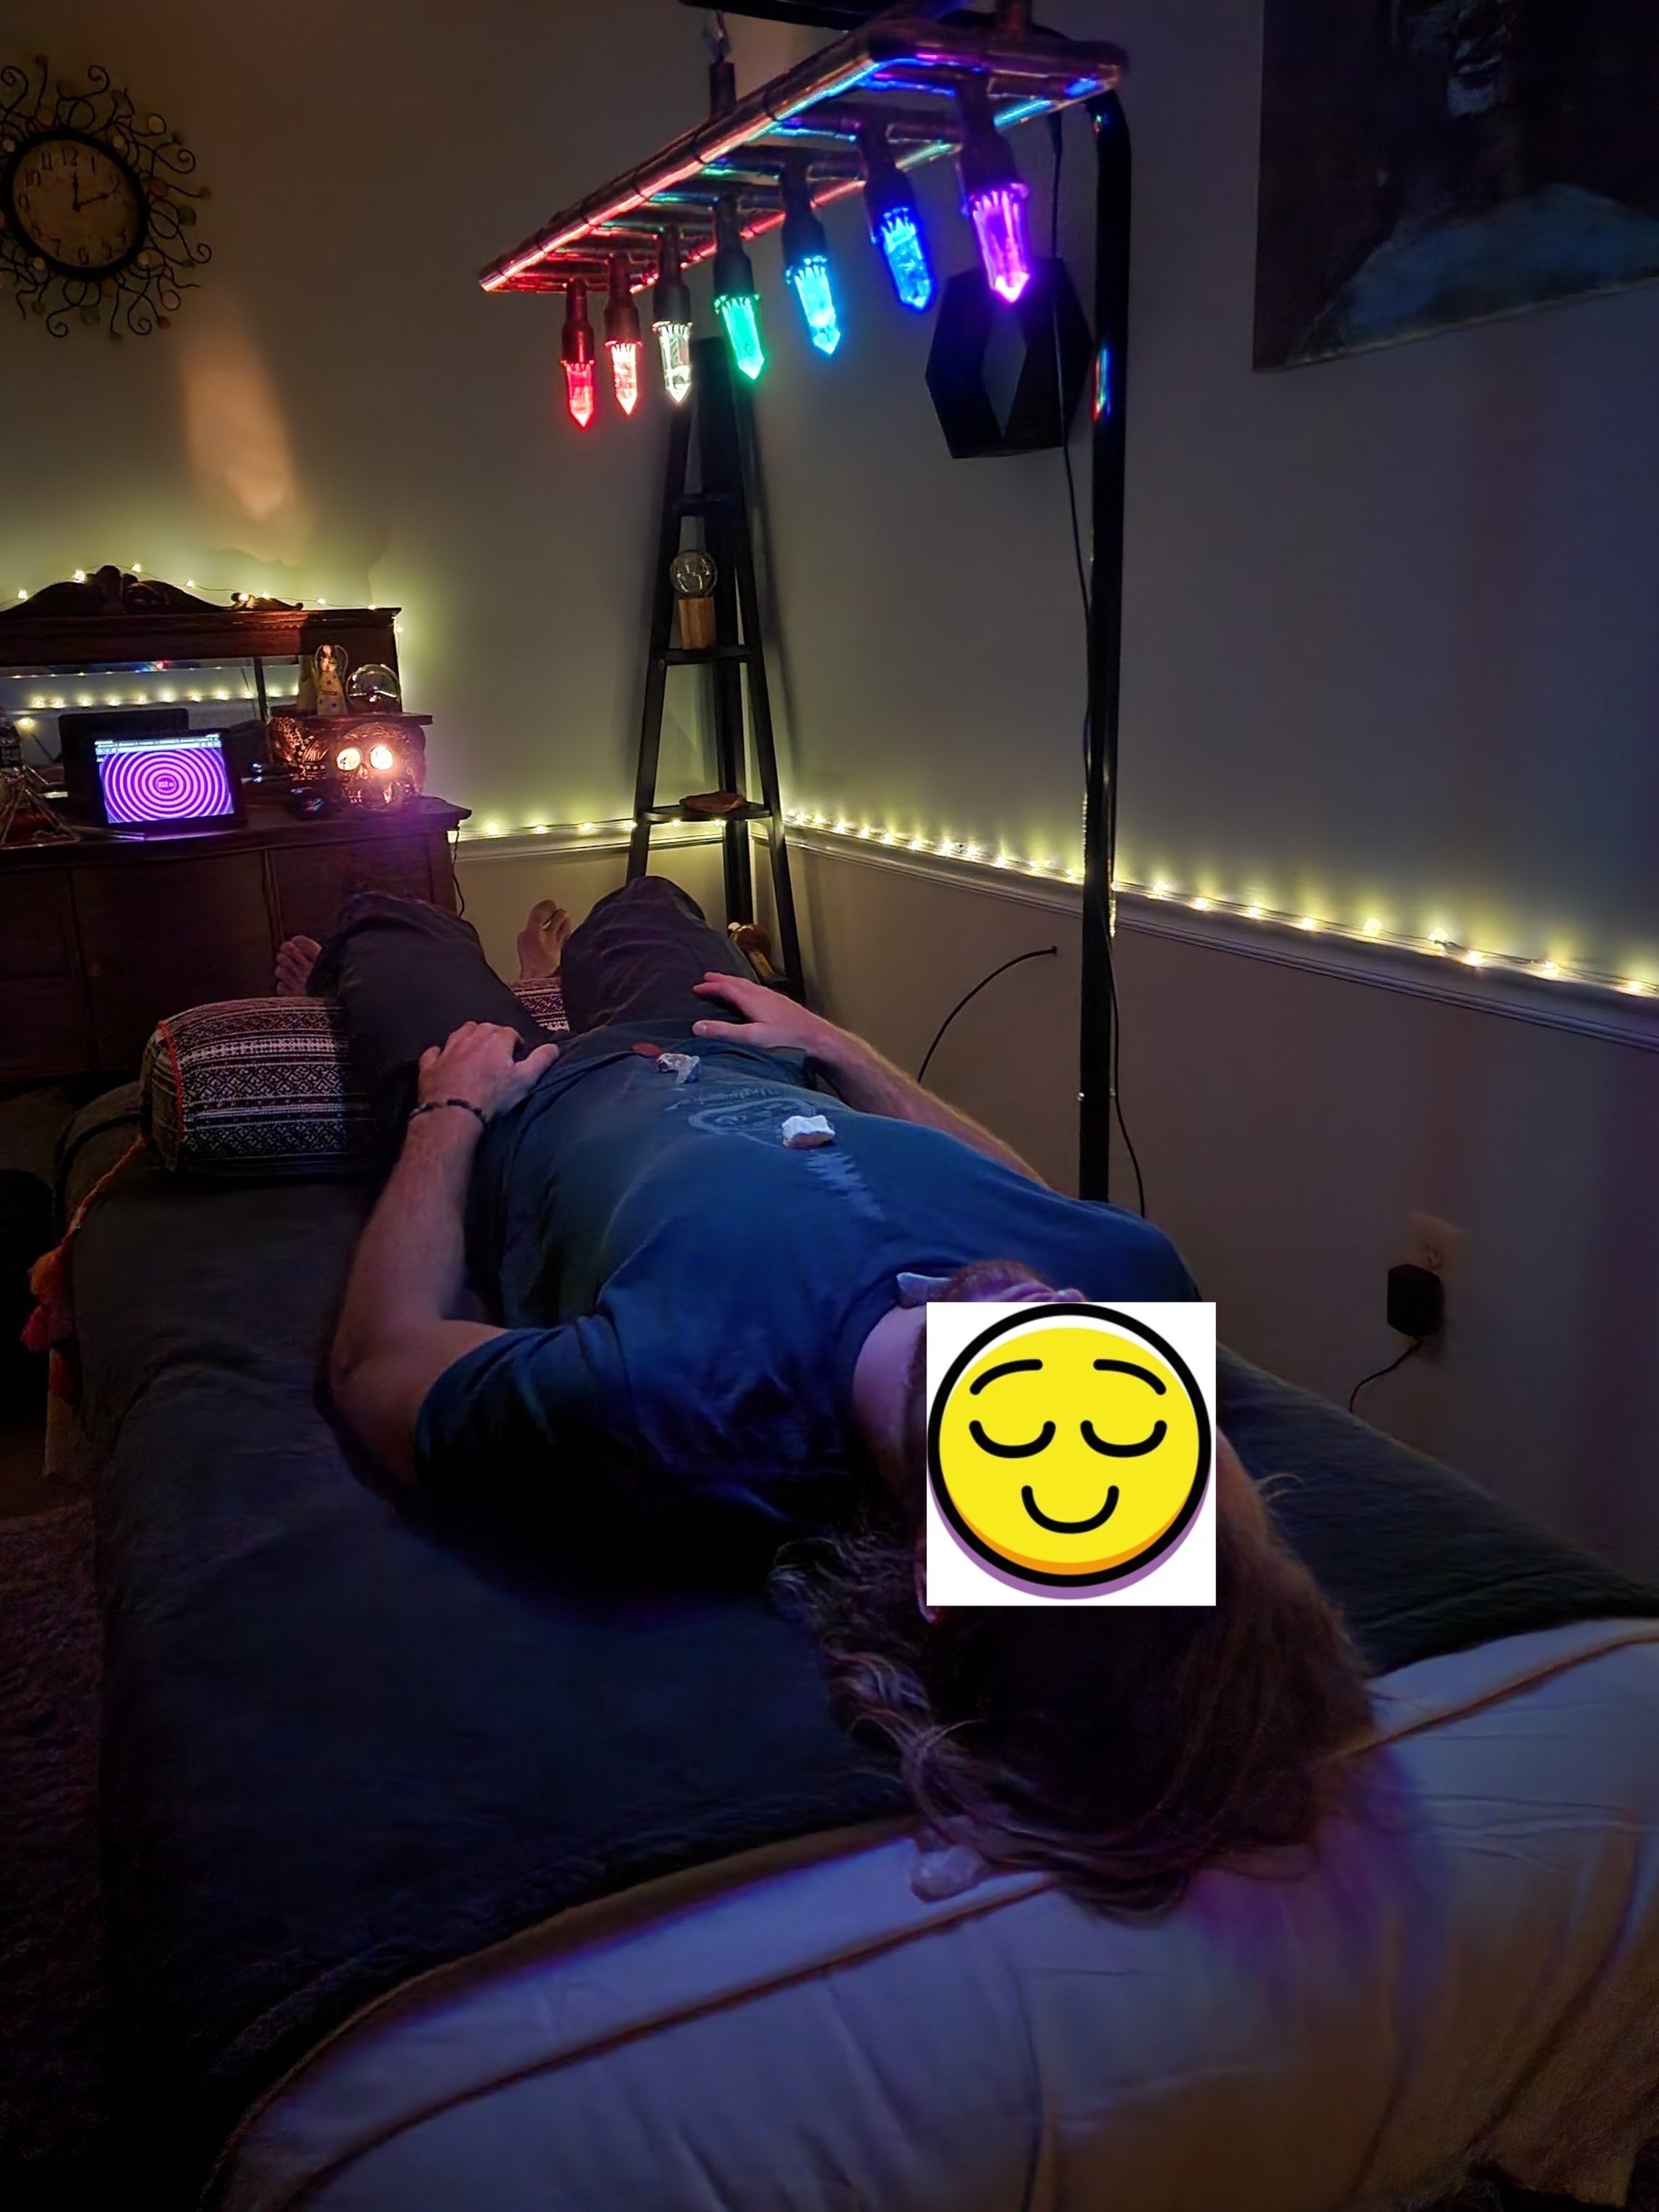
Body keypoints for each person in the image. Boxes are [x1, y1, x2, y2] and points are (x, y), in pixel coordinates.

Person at [290, 878, 1371, 1913]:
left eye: (1051, 1441)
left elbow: (376, 1361)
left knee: (388, 921)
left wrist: (450, 1107)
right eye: (1160, 1423)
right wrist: (842, 1050)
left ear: (942, 1577)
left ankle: (454, 979)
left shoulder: (670, 1407)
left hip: (533, 1101)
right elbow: (1025, 1198)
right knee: (643, 907)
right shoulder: (1135, 1288)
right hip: (746, 1052)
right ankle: (551, 966)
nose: (1074, 1313)